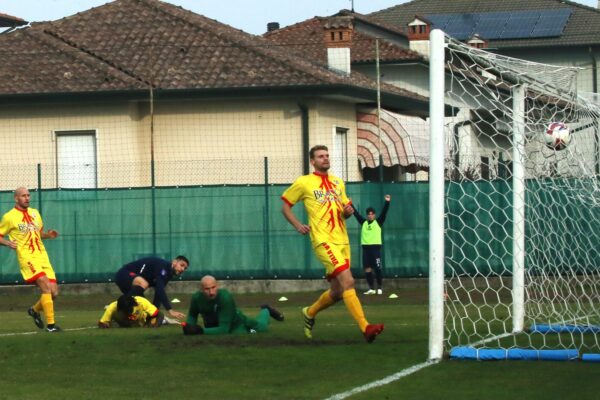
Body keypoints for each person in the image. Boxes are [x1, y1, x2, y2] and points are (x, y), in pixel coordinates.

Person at [281, 145, 384, 343]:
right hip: (323, 240)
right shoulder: (304, 182)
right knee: (349, 281)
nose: (325, 159)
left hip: (342, 240)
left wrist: (347, 212)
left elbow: (344, 211)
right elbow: (285, 206)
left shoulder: (338, 183)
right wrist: (297, 225)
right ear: (312, 161)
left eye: (327, 155)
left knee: (338, 291)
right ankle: (365, 327)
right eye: (320, 156)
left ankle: (309, 313)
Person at [0, 187, 62, 332]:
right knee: (45, 287)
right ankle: (51, 326)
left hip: (42, 256)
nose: (27, 198)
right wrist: (7, 243)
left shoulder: (35, 213)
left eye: (28, 195)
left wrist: (48, 235)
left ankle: (34, 310)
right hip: (27, 257)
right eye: (23, 196)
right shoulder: (9, 217)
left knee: (54, 293)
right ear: (16, 198)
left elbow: (38, 234)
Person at [181, 275, 284, 335]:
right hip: (215, 326)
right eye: (207, 289)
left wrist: (199, 331)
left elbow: (224, 329)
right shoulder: (196, 298)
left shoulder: (225, 297)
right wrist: (189, 327)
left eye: (213, 287)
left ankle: (266, 310)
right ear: (201, 289)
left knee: (262, 327)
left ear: (217, 286)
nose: (211, 292)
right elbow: (193, 314)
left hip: (238, 325)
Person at [114, 255, 189, 320]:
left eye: (185, 268)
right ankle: (115, 306)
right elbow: (160, 289)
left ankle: (117, 313)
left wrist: (154, 313)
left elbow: (158, 294)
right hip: (123, 274)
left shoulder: (168, 274)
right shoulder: (163, 267)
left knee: (141, 306)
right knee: (143, 283)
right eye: (182, 265)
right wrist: (169, 310)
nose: (183, 269)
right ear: (174, 262)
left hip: (132, 284)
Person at [353, 195, 391, 295]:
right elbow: (356, 214)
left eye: (372, 214)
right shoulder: (364, 222)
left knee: (377, 268)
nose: (370, 216)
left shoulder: (378, 222)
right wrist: (350, 204)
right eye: (368, 214)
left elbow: (384, 213)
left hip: (375, 249)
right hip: (365, 249)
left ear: (374, 215)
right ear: (367, 215)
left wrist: (387, 202)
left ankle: (379, 288)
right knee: (367, 269)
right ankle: (371, 288)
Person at [98, 294, 165, 328]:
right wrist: (104, 325)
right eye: (125, 311)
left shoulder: (141, 302)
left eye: (129, 310)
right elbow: (101, 323)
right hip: (129, 322)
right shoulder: (112, 307)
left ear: (134, 305)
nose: (128, 313)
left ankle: (166, 321)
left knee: (155, 321)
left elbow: (160, 314)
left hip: (145, 318)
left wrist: (156, 327)